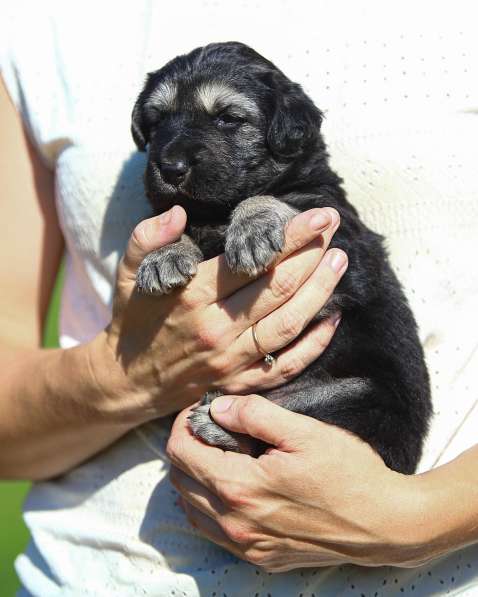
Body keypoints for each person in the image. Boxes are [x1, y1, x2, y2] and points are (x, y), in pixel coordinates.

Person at [1, 1, 477, 595]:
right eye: (160, 124)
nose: (174, 151)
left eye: (228, 121)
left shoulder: (298, 194)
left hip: (369, 437)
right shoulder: (34, 25)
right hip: (95, 573)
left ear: (289, 131)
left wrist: (421, 518)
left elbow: (335, 261)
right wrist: (121, 371)